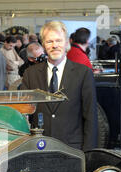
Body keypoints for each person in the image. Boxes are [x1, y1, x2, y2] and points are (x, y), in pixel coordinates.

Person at [21, 20, 97, 151]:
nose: (54, 45)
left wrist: (89, 154)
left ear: (67, 43)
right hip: (38, 149)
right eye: (50, 41)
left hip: (72, 150)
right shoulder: (30, 74)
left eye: (59, 40)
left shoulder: (83, 73)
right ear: (43, 45)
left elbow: (90, 117)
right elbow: (23, 115)